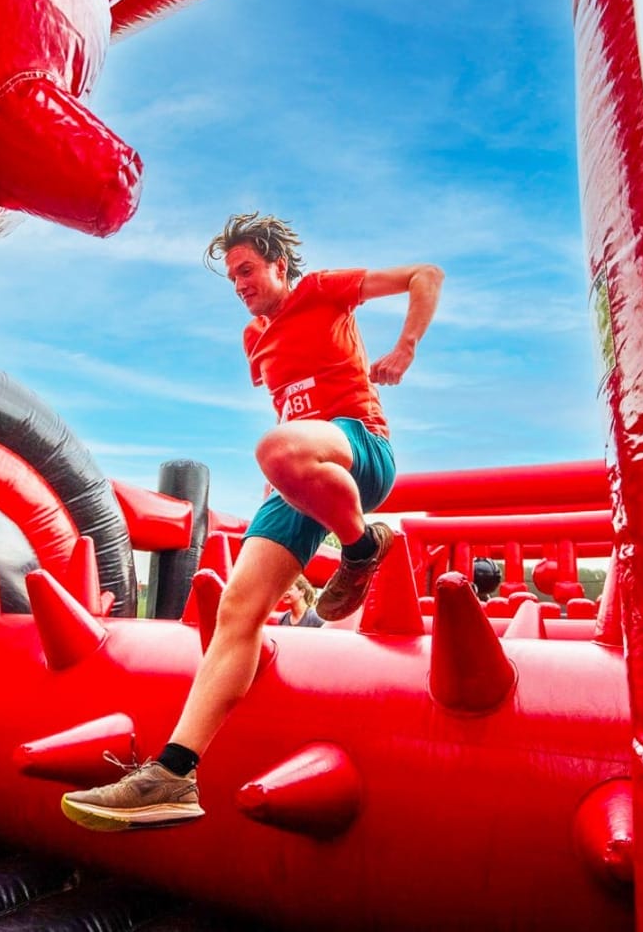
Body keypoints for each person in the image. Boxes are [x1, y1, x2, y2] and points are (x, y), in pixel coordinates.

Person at [61, 211, 442, 831]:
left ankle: (359, 543)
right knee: (238, 613)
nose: (240, 284)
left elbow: (427, 274)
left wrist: (405, 347)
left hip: (361, 451)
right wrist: (285, 488)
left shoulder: (323, 290)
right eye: (232, 277)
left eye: (247, 270)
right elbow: (290, 410)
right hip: (303, 473)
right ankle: (173, 775)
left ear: (278, 266)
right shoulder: (252, 340)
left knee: (275, 446)